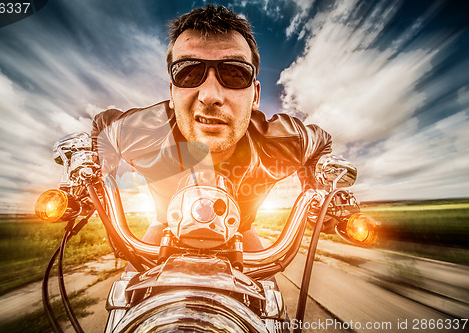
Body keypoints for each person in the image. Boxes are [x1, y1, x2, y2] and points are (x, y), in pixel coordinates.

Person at [91, 4, 332, 251]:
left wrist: (318, 191)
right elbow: (103, 127)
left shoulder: (283, 141)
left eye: (235, 73)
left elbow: (321, 141)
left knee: (266, 286)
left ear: (256, 96)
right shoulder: (143, 131)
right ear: (172, 94)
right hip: (165, 222)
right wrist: (94, 179)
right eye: (187, 72)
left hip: (241, 227)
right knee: (132, 287)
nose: (209, 95)